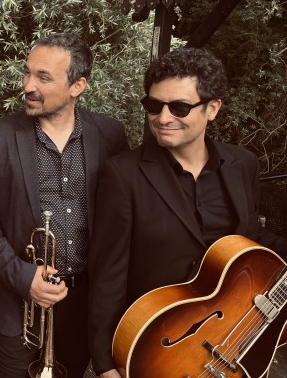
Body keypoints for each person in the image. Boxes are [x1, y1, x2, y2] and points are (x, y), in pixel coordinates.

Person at [88, 47, 287, 378]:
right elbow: (108, 274)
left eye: (179, 107)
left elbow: (249, 237)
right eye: (154, 105)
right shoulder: (122, 174)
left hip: (231, 335)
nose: (163, 118)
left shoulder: (243, 164)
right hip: (158, 343)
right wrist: (105, 363)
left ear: (213, 109)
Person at [0, 33, 129, 378]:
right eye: (27, 73)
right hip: (18, 303)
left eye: (43, 77)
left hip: (83, 303)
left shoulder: (110, 135)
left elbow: (122, 218)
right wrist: (23, 277)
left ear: (77, 86)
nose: (28, 86)